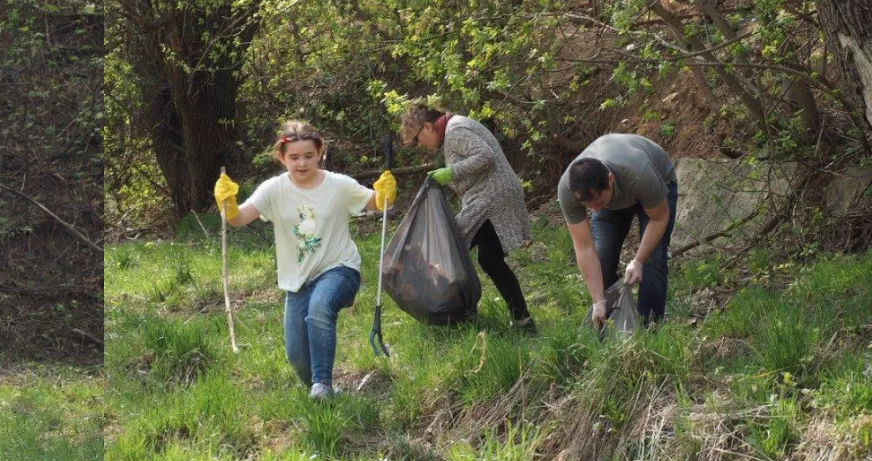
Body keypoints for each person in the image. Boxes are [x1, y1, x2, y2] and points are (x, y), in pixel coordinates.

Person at [214, 120, 396, 400]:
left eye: (309, 156)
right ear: (282, 157)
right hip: (297, 281)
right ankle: (325, 396)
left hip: (339, 268)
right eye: (294, 157)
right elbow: (238, 219)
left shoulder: (339, 185)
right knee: (297, 355)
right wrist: (226, 204)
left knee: (319, 308)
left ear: (320, 152)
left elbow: (378, 203)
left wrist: (386, 193)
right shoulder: (273, 189)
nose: (302, 163)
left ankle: (322, 385)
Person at [400, 106, 537, 332]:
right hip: (489, 196)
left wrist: (451, 173)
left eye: (417, 139)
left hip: (492, 198)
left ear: (428, 127)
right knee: (488, 259)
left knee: (451, 249)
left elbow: (485, 156)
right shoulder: (453, 129)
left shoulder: (455, 130)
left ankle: (453, 316)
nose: (420, 145)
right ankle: (521, 320)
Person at [557, 133, 677, 328]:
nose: (595, 210)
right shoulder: (568, 191)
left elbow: (660, 218)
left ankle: (650, 329)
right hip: (617, 195)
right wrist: (597, 301)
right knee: (603, 257)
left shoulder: (640, 174)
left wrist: (638, 261)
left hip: (656, 183)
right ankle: (611, 327)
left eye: (598, 201)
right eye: (589, 205)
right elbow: (584, 246)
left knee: (653, 259)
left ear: (610, 180)